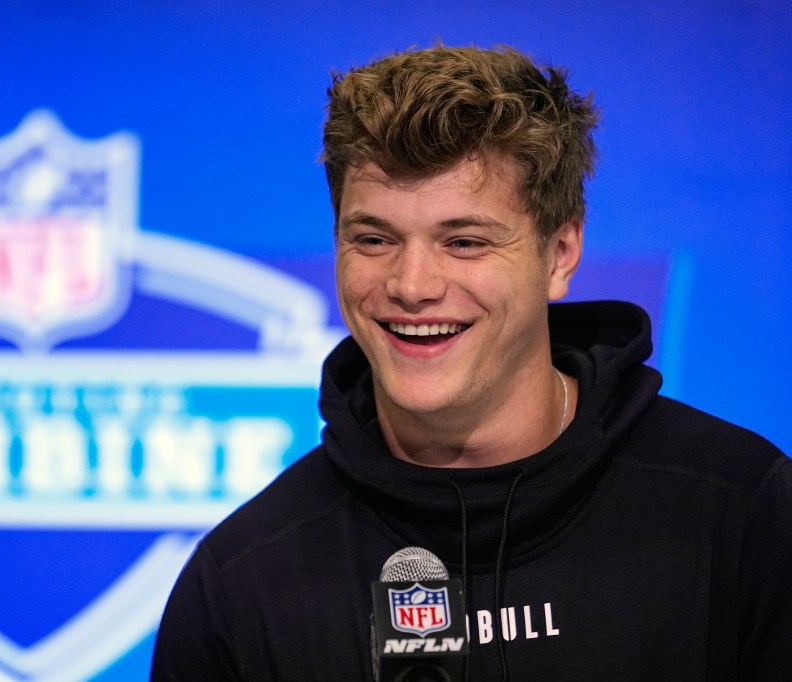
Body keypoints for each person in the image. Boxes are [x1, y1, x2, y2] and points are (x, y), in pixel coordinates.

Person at [150, 45, 792, 680]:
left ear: (561, 252)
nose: (412, 284)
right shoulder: (242, 579)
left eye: (464, 241)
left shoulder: (741, 512)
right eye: (374, 239)